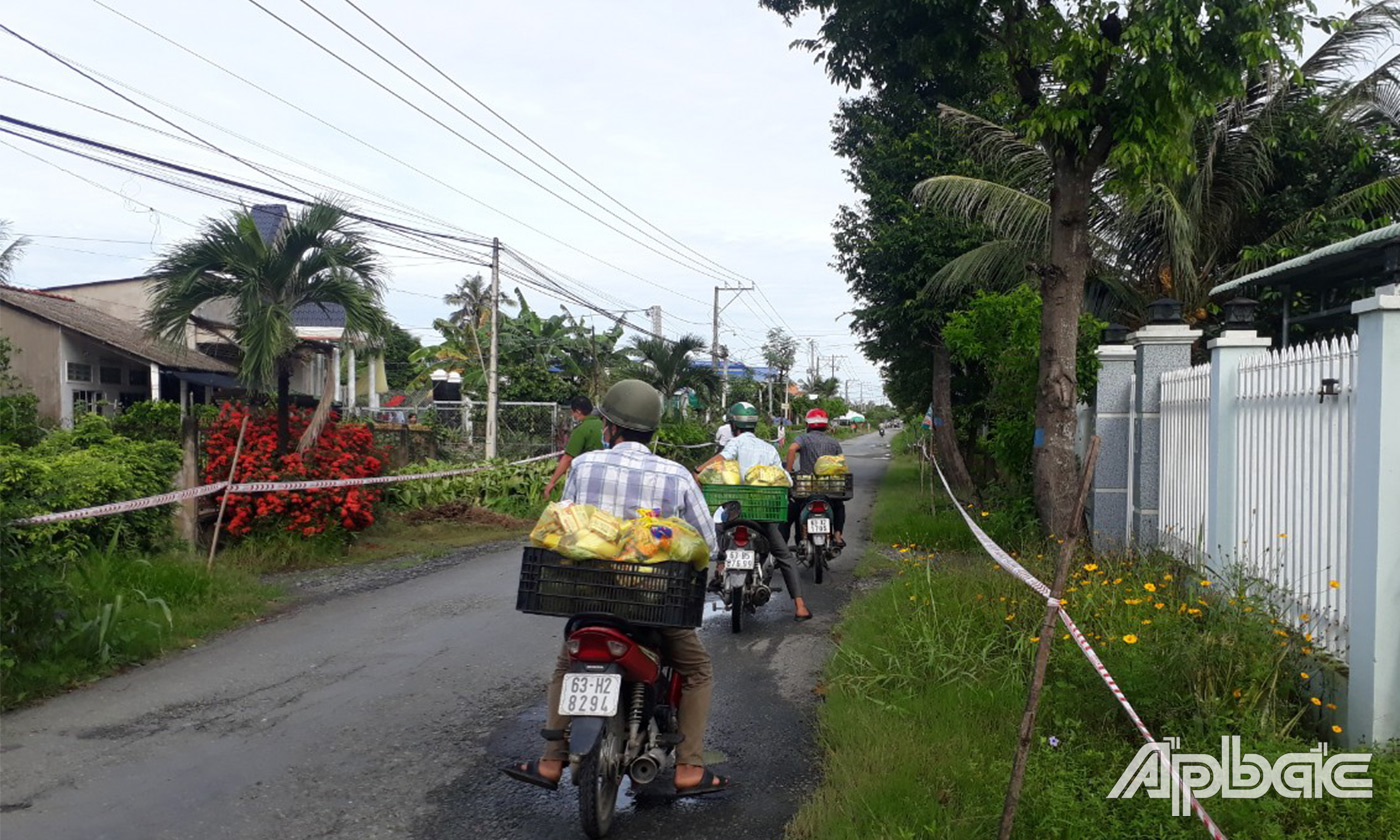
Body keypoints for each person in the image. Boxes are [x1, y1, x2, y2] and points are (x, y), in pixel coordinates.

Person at [504, 380, 729, 796]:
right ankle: (690, 768)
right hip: (654, 602)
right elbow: (707, 544)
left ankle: (551, 761)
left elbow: (568, 526)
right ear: (653, 431)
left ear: (609, 426)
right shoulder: (675, 474)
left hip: (589, 597)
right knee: (697, 671)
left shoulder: (584, 465)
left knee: (564, 662)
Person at [696, 402, 812, 621]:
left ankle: (720, 569)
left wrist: (698, 471)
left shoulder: (735, 443)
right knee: (784, 555)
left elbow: (722, 459)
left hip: (735, 511)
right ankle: (800, 606)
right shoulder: (768, 448)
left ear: (733, 424)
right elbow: (785, 478)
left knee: (719, 526)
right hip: (763, 513)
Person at [784, 408, 846, 549]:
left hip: (806, 486)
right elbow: (840, 464)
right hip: (828, 487)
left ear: (808, 425)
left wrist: (788, 470)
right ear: (826, 425)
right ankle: (837, 535)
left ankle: (782, 549)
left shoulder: (803, 439)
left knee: (791, 510)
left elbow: (792, 449)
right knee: (839, 506)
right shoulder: (834, 442)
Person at [542, 395, 603, 498]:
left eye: (573, 412)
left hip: (587, 476)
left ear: (578, 412)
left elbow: (568, 458)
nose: (573, 415)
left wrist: (551, 482)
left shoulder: (581, 429)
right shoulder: (605, 426)